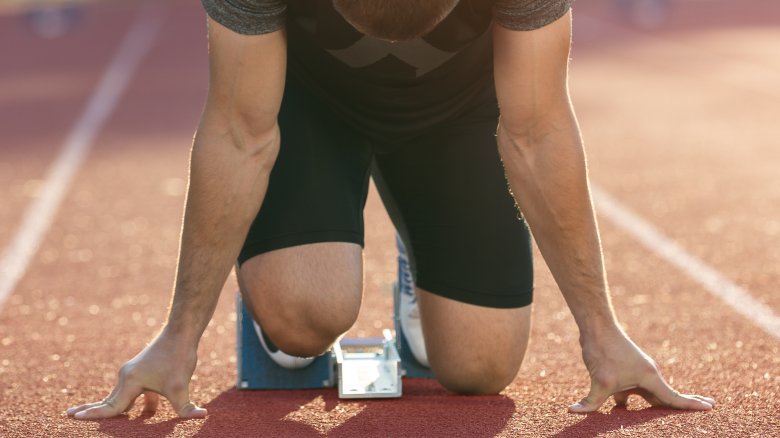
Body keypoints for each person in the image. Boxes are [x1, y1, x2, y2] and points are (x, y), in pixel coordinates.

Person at [67, 0, 715, 420]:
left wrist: (602, 335)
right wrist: (179, 340)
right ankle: (274, 277)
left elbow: (537, 131)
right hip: (308, 103)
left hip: (452, 115)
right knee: (305, 318)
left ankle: (417, 254)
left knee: (480, 368)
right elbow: (240, 133)